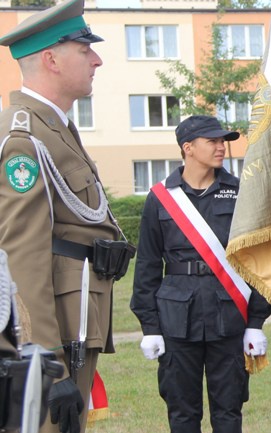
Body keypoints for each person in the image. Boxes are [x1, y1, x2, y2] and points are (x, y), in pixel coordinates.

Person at [0, 1, 130, 432]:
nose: (97, 59)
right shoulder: (24, 137)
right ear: (51, 59)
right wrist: (43, 355)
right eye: (84, 49)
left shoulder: (56, 128)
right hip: (55, 329)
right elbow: (21, 251)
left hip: (77, 316)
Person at [131, 115, 271, 433]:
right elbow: (148, 266)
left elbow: (259, 260)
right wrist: (150, 327)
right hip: (177, 319)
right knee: (182, 414)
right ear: (188, 148)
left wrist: (255, 322)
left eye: (223, 141)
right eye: (212, 141)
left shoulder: (241, 193)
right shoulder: (161, 198)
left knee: (229, 412)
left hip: (229, 315)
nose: (221, 147)